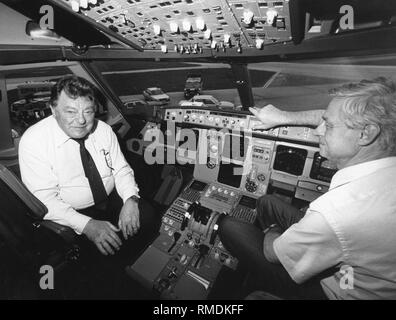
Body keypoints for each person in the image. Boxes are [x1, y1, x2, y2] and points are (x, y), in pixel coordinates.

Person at [219, 77, 396, 299]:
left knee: (229, 227)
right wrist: (283, 117)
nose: (317, 131)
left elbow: (271, 253)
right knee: (266, 202)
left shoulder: (338, 212)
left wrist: (273, 230)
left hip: (339, 290)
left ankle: (262, 283)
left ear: (365, 134)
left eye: (328, 126)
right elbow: (339, 118)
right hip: (355, 264)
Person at [19, 75, 160, 259]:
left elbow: (121, 169)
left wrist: (130, 199)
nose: (81, 120)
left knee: (147, 217)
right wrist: (87, 225)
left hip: (110, 197)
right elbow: (44, 201)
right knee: (98, 259)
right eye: (70, 111)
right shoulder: (34, 141)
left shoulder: (103, 130)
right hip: (72, 212)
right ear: (54, 110)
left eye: (88, 111)